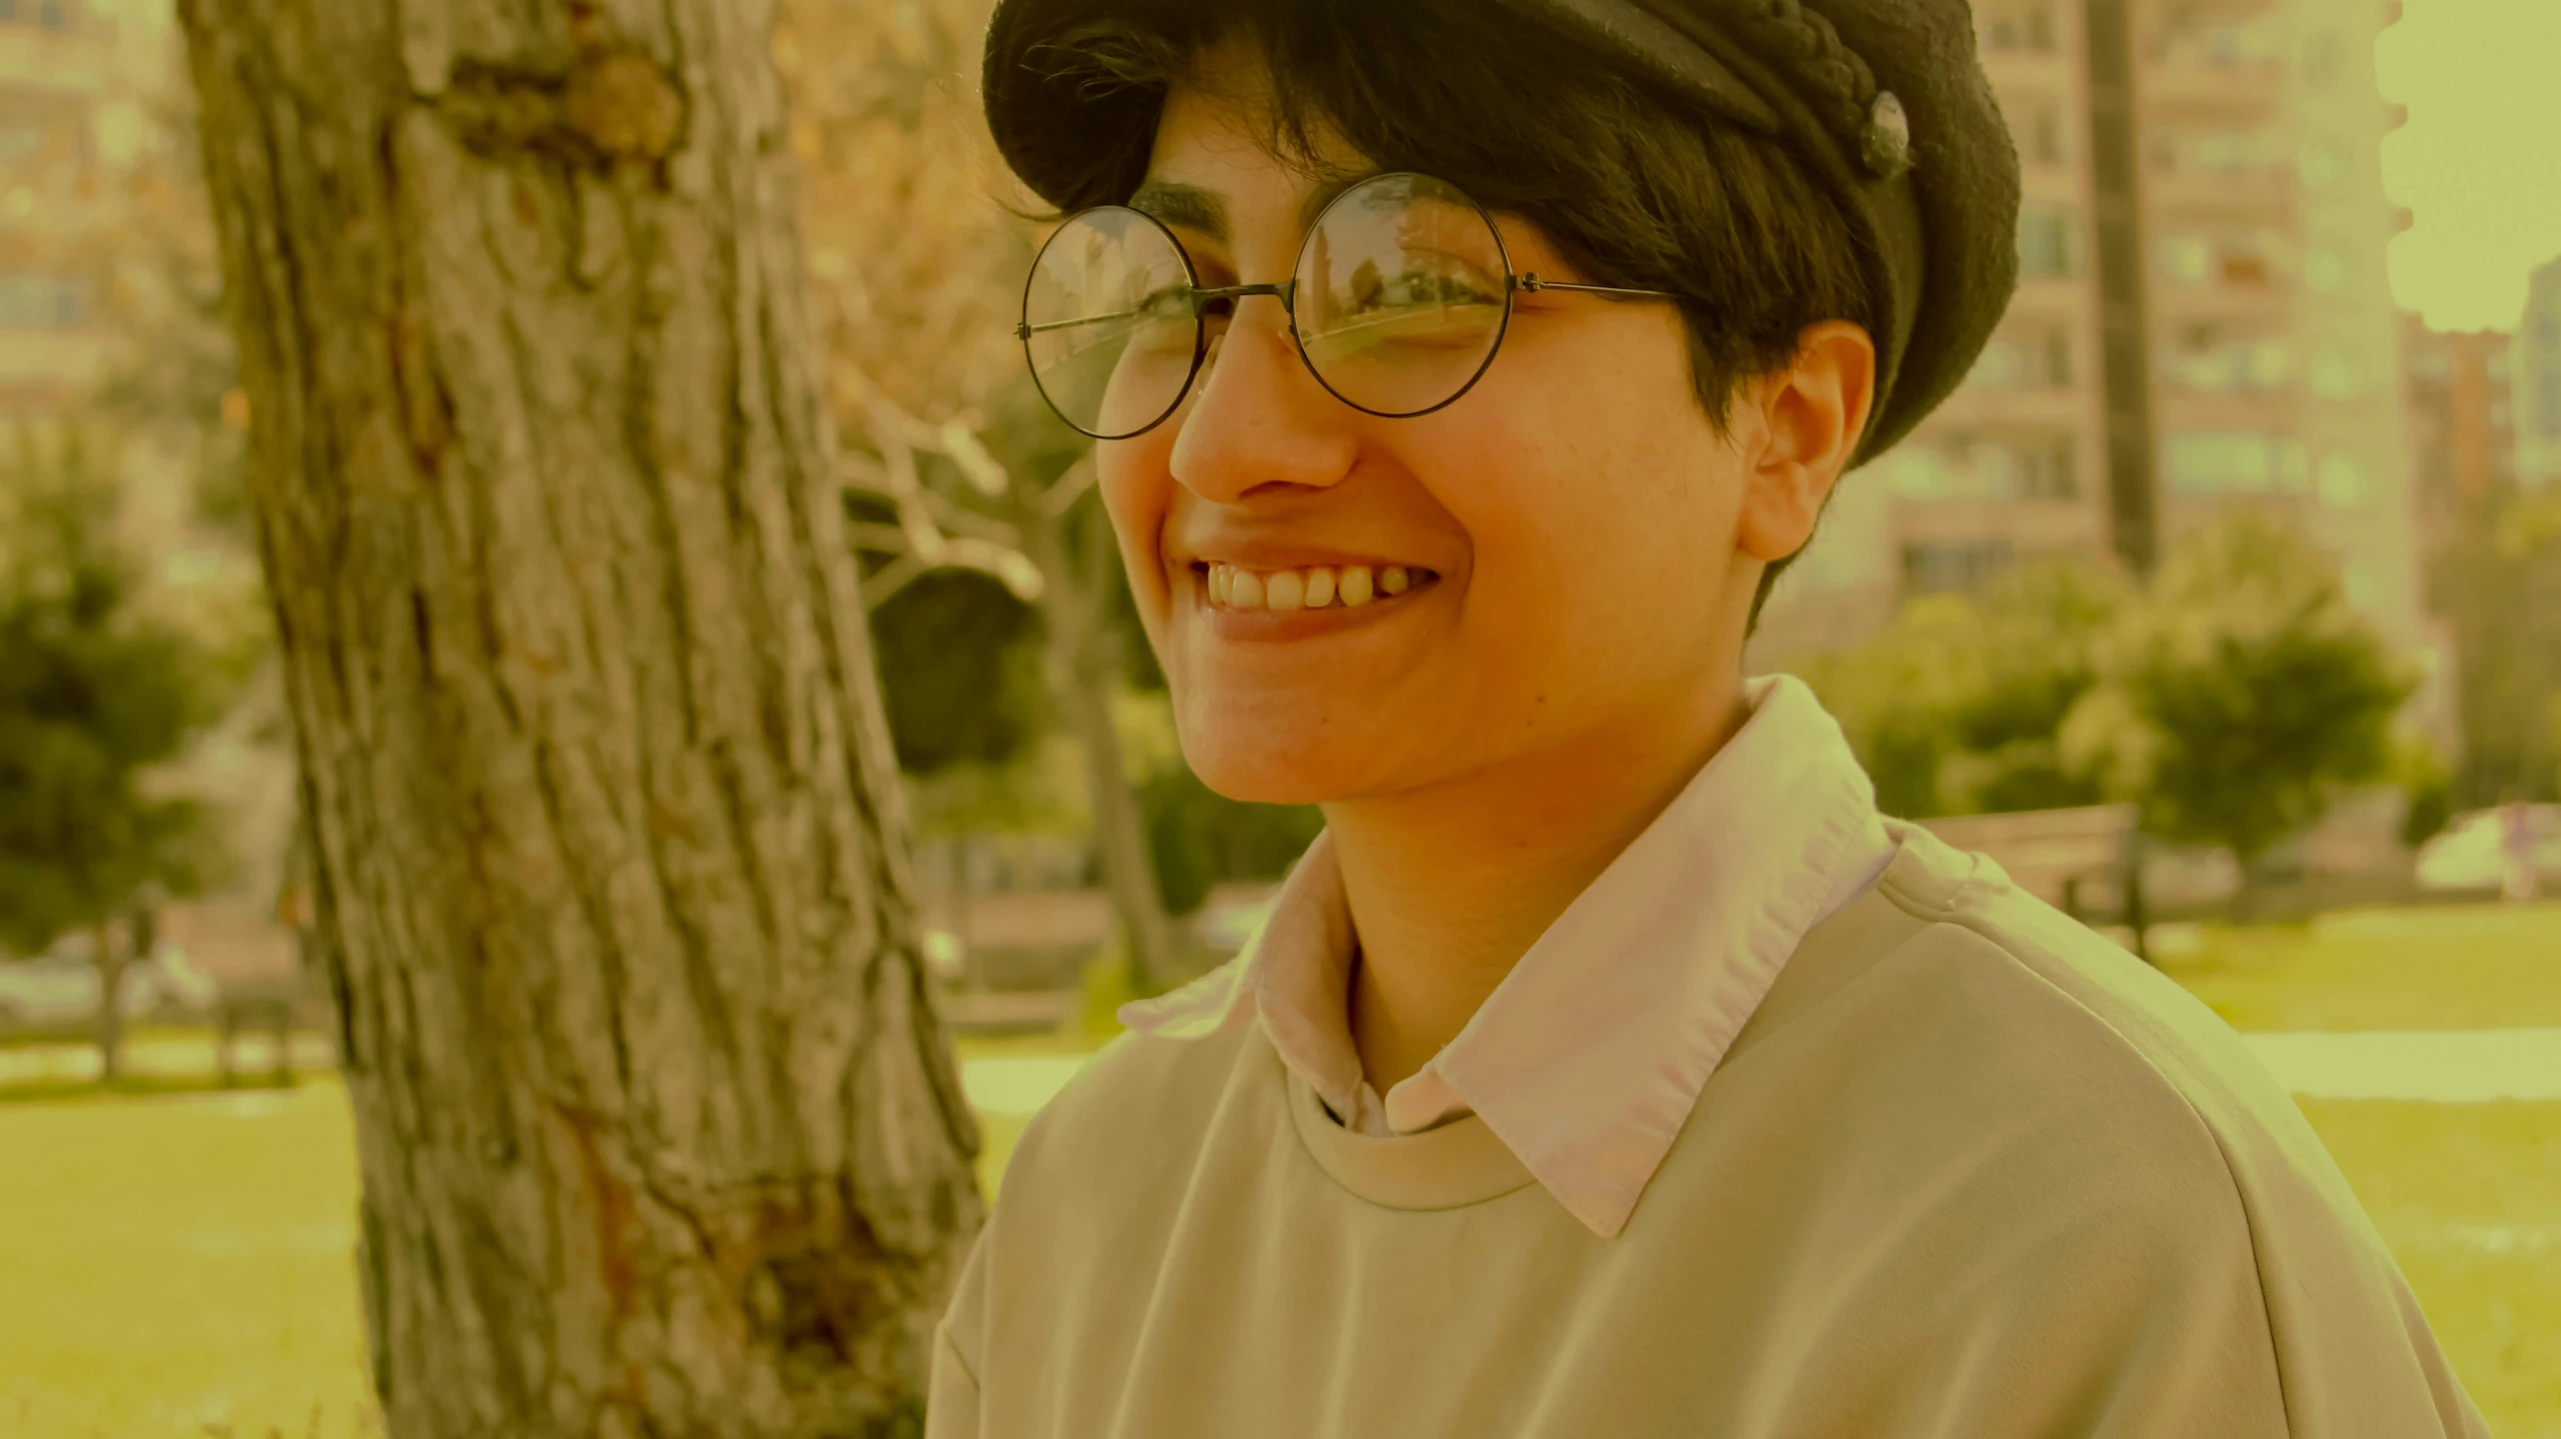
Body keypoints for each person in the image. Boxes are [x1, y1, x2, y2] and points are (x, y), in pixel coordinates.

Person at [930, 1, 2490, 1434]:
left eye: (1407, 285)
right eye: (1178, 293)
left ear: (1788, 427)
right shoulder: (1091, 1206)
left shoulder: (2090, 1227)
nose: (1224, 441)